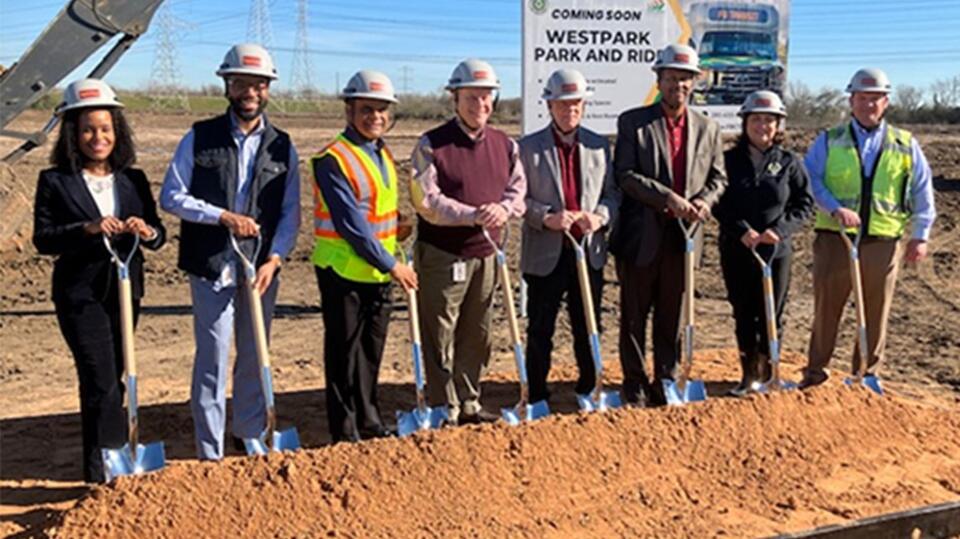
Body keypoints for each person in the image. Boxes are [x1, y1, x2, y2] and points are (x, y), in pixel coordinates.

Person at [160, 44, 300, 459]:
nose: (250, 91)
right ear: (227, 85)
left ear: (268, 89)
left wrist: (276, 258)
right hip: (212, 265)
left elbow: (291, 211)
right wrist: (221, 215)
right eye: (241, 82)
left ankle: (250, 432)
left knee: (256, 353)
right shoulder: (200, 136)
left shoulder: (282, 145)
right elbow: (172, 196)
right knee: (213, 358)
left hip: (261, 268)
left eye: (259, 84)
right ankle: (210, 449)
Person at [33, 79, 166, 482]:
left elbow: (159, 235)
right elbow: (43, 239)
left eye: (106, 129)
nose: (98, 137)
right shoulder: (55, 180)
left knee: (117, 377)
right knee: (100, 379)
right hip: (81, 294)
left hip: (125, 290)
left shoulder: (133, 179)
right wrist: (88, 228)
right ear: (73, 133)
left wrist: (147, 231)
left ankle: (118, 457)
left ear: (117, 131)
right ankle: (101, 471)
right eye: (88, 129)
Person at [800, 68, 936, 388]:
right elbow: (811, 179)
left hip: (883, 241)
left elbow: (922, 190)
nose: (868, 105)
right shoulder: (829, 140)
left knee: (876, 312)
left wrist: (920, 235)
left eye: (875, 98)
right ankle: (816, 372)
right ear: (851, 101)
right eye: (862, 98)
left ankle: (866, 374)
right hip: (835, 238)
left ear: (886, 102)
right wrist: (835, 208)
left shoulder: (905, 144)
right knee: (826, 310)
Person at [410, 58, 526, 424]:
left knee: (478, 332)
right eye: (472, 97)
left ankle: (470, 400)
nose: (480, 105)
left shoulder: (504, 144)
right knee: (441, 330)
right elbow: (426, 201)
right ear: (455, 98)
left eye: (486, 97)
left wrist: (504, 210)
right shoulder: (432, 145)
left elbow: (518, 189)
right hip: (444, 255)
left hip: (487, 255)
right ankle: (445, 406)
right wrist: (473, 214)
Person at [612, 44, 727, 406]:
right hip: (641, 235)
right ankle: (633, 381)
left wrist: (704, 201)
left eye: (685, 79)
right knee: (634, 313)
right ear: (659, 80)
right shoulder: (633, 122)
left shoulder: (709, 128)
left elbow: (719, 178)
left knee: (672, 314)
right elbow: (625, 175)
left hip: (685, 237)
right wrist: (668, 199)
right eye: (672, 77)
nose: (679, 84)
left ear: (694, 83)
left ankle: (666, 378)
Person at [311, 70, 417, 442]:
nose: (376, 117)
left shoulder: (381, 151)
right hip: (342, 270)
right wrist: (393, 265)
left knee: (370, 353)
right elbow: (351, 225)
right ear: (349, 110)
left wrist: (397, 229)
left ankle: (370, 421)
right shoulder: (332, 159)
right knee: (343, 355)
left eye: (382, 110)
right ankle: (344, 431)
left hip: (378, 273)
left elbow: (375, 211)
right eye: (367, 109)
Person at [518, 68, 620, 405]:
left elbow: (612, 195)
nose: (570, 111)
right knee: (540, 329)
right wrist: (546, 218)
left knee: (587, 326)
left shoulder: (598, 145)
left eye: (576, 105)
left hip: (587, 252)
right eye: (563, 105)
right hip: (546, 252)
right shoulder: (527, 148)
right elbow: (517, 199)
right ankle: (535, 393)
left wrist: (599, 217)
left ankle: (589, 388)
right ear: (549, 106)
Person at [713, 90, 814, 395]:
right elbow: (718, 202)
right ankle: (749, 374)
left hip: (775, 251)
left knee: (772, 312)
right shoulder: (727, 160)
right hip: (737, 248)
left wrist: (779, 230)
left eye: (769, 120)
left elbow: (804, 204)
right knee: (744, 312)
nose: (763, 126)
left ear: (778, 125)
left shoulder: (788, 162)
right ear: (745, 122)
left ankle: (771, 373)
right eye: (756, 119)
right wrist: (741, 230)